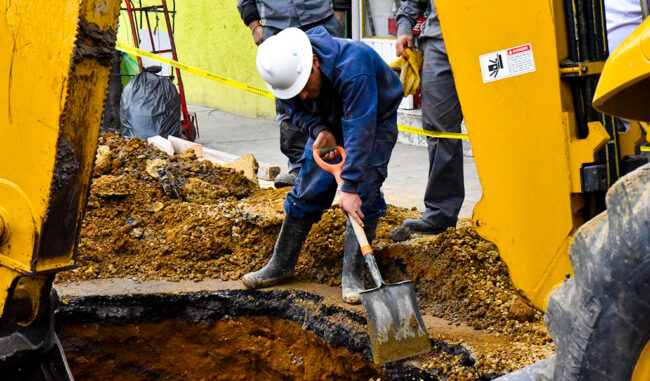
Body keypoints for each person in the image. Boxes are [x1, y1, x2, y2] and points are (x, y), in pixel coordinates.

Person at [241, 27, 403, 305]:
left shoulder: (354, 66)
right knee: (308, 189)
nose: (303, 94)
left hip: (372, 121)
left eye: (305, 86)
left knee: (363, 194)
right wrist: (318, 129)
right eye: (296, 91)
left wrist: (350, 188)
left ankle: (353, 275)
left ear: (314, 62)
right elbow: (292, 109)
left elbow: (360, 131)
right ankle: (282, 264)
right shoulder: (287, 75)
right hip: (328, 121)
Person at [236, 0, 346, 188]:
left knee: (338, 93)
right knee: (289, 101)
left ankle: (353, 173)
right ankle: (299, 169)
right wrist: (254, 24)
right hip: (277, 26)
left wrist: (339, 11)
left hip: (321, 19)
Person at [394, 0, 465, 235]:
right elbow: (414, 2)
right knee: (438, 129)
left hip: (495, 38)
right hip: (440, 41)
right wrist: (404, 27)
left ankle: (512, 209)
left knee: (506, 123)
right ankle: (441, 214)